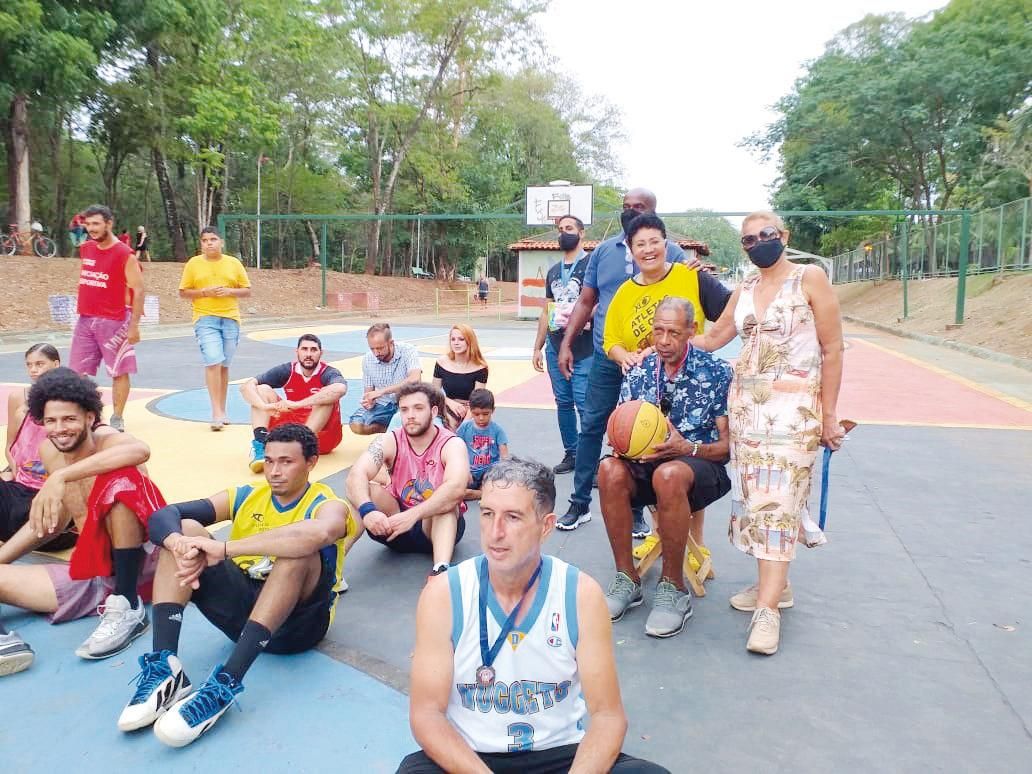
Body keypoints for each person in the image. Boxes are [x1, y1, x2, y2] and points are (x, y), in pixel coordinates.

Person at [400, 458, 669, 774]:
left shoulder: (579, 594)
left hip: (560, 754)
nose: (495, 532)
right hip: (472, 756)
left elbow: (608, 716)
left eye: (512, 517)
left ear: (546, 526)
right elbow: (427, 714)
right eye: (487, 514)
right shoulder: (445, 594)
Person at [117, 423, 357, 747]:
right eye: (269, 460)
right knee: (187, 528)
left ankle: (226, 683)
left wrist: (226, 548)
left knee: (299, 552)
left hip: (296, 628)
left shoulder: (328, 503)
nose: (274, 471)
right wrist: (177, 543)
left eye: (286, 461)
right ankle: (165, 668)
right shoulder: (246, 496)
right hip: (242, 618)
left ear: (312, 462)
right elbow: (165, 514)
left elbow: (318, 534)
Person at [692, 210, 845, 655]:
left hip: (795, 412)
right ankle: (779, 587)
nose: (758, 243)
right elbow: (716, 336)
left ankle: (767, 611)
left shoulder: (810, 278)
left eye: (767, 235)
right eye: (748, 240)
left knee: (780, 504)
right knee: (759, 505)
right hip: (747, 414)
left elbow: (833, 348)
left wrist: (830, 415)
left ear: (784, 236)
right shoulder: (746, 288)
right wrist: (670, 340)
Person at [554, 190, 729, 535]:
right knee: (598, 428)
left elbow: (728, 307)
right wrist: (613, 353)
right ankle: (580, 502)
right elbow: (597, 318)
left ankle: (640, 512)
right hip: (620, 364)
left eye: (641, 208)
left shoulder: (681, 266)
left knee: (658, 436)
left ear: (664, 240)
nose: (632, 213)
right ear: (631, 249)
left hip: (672, 368)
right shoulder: (606, 257)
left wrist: (707, 342)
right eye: (627, 207)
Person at [0, 368, 164, 672]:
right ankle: (6, 646)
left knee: (118, 482)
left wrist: (61, 476)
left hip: (145, 564)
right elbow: (56, 520)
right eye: (51, 420)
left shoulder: (107, 439)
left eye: (69, 419)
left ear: (90, 417)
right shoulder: (50, 451)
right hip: (95, 575)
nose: (59, 428)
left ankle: (129, 606)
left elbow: (140, 450)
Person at [598, 297, 732, 638]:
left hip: (700, 467)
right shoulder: (639, 371)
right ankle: (627, 578)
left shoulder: (716, 372)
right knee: (609, 470)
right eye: (658, 331)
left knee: (668, 473)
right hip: (646, 467)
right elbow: (621, 429)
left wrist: (688, 447)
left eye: (674, 332)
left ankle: (673, 589)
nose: (664, 340)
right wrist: (623, 444)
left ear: (692, 331)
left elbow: (727, 449)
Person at [346, 382, 468, 575]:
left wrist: (412, 516)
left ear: (434, 411)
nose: (410, 415)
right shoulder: (389, 440)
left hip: (435, 527)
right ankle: (330, 570)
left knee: (446, 503)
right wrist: (368, 511)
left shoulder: (452, 444)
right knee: (363, 490)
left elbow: (456, 488)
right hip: (395, 526)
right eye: (404, 409)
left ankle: (441, 571)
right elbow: (356, 474)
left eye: (418, 408)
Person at [68, 204, 144, 432]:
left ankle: (117, 417)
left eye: (96, 224)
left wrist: (134, 326)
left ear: (109, 224)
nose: (91, 229)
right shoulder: (86, 249)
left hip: (115, 319)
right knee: (77, 372)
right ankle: (83, 414)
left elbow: (139, 290)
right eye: (88, 224)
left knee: (119, 370)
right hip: (86, 318)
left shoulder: (124, 254)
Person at [531, 214, 593, 474]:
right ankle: (572, 453)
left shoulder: (592, 264)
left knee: (584, 403)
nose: (563, 233)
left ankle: (589, 459)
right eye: (560, 229)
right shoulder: (554, 271)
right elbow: (547, 310)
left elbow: (600, 302)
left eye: (569, 228)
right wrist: (537, 346)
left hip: (585, 346)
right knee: (563, 402)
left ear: (582, 234)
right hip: (556, 345)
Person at [178, 226, 252, 430]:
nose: (209, 243)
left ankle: (222, 408)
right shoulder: (194, 264)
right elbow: (183, 292)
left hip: (230, 318)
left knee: (224, 365)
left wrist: (229, 290)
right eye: (204, 240)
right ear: (201, 244)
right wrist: (203, 292)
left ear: (221, 242)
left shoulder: (233, 263)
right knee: (213, 360)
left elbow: (247, 290)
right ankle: (216, 412)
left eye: (213, 239)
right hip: (205, 318)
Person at [240, 334, 347, 473]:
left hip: (321, 435)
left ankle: (300, 446)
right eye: (304, 349)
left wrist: (298, 404)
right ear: (297, 352)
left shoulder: (329, 372)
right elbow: (246, 387)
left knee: (326, 395)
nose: (308, 354)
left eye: (313, 350)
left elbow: (340, 389)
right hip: (293, 428)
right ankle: (261, 445)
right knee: (261, 389)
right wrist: (265, 407)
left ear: (321, 353)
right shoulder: (287, 370)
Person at [349, 323, 422, 435]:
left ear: (391, 343)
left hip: (407, 400)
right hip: (383, 404)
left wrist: (381, 391)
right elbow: (368, 393)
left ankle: (397, 430)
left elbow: (415, 378)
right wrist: (368, 402)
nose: (376, 353)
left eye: (380, 348)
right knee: (356, 424)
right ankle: (388, 429)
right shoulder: (368, 359)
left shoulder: (408, 350)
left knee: (409, 420)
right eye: (372, 348)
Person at [455, 389, 509, 500]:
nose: (481, 418)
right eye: (476, 414)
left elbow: (505, 457)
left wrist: (501, 476)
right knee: (454, 490)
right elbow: (456, 449)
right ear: (470, 410)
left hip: (489, 472)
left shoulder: (498, 430)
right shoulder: (465, 428)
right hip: (470, 472)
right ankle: (481, 494)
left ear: (493, 410)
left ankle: (480, 492)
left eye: (485, 414)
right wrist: (464, 470)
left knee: (496, 485)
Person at [433, 324, 489, 430]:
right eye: (453, 339)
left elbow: (477, 400)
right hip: (447, 404)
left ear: (470, 341)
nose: (456, 343)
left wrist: (464, 424)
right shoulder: (441, 362)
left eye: (461, 339)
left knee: (470, 430)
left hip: (471, 409)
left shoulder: (481, 367)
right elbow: (434, 392)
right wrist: (450, 402)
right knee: (446, 427)